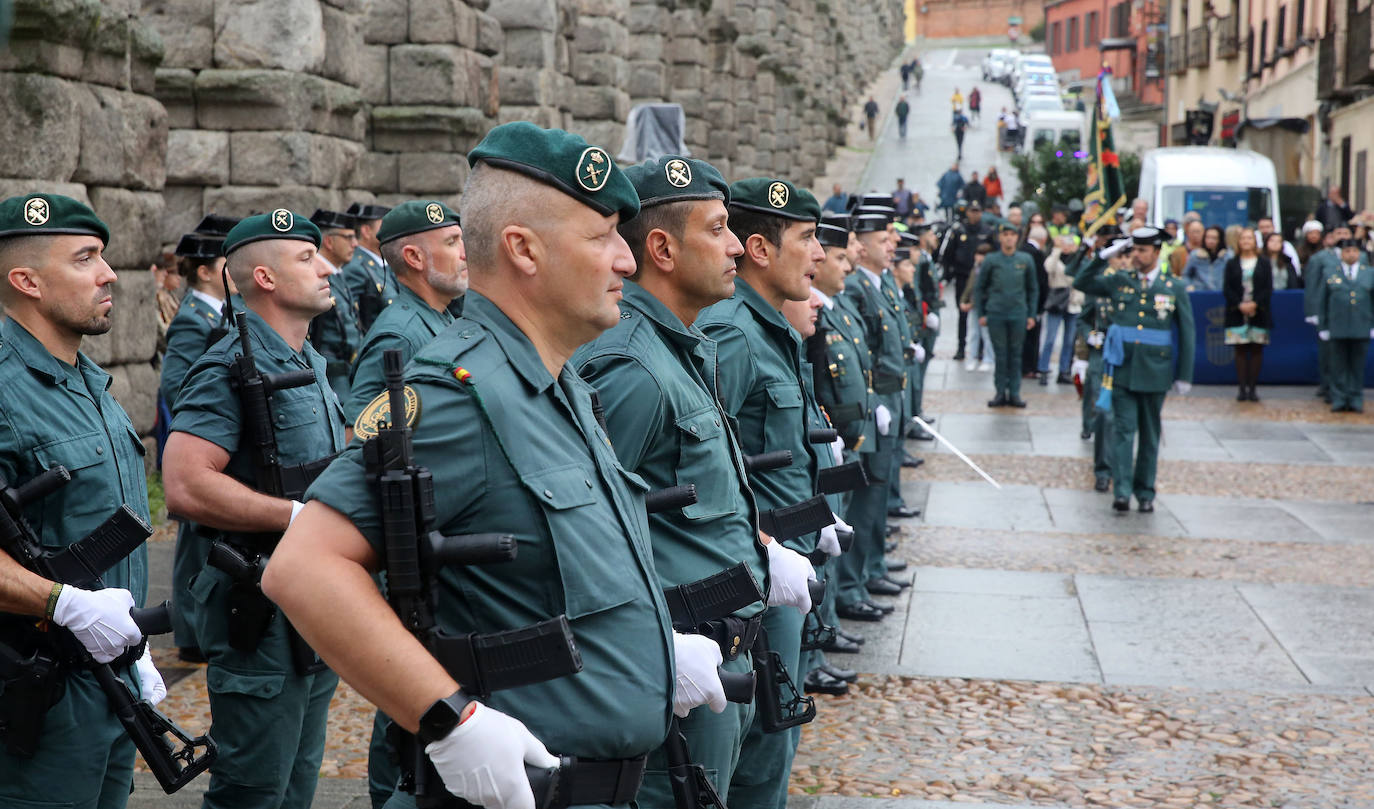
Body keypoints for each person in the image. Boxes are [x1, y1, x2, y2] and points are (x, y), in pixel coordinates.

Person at [264, 123, 683, 809]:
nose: (626, 261)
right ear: (523, 248)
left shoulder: (559, 385)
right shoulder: (460, 392)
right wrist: (450, 717)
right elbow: (304, 567)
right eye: (601, 235)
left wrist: (663, 649)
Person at [573, 157, 811, 804]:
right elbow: (588, 533)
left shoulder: (682, 346)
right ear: (662, 248)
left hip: (720, 649)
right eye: (718, 229)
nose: (737, 245)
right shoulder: (632, 366)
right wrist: (652, 647)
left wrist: (761, 553)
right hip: (672, 663)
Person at [163, 210, 345, 809]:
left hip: (314, 600)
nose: (326, 268)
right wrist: (296, 517)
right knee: (253, 791)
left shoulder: (306, 361)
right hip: (258, 607)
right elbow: (186, 485)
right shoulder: (228, 366)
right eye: (306, 258)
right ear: (262, 277)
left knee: (296, 782)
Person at [0, 193, 165, 808]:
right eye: (86, 258)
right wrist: (64, 604)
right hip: (40, 690)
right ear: (27, 281)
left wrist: (132, 648)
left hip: (111, 680)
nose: (110, 274)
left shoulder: (89, 382)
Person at [694, 177, 826, 809]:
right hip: (754, 577)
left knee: (775, 744)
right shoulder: (733, 333)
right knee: (756, 760)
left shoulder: (764, 327)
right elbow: (697, 466)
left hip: (783, 566)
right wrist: (769, 547)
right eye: (807, 238)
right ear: (761, 249)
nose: (820, 254)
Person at [1073, 227, 1196, 512]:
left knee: (1150, 433)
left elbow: (1187, 333)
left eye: (1142, 250)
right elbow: (1082, 281)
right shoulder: (1120, 281)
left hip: (1156, 369)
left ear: (1156, 252)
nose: (1136, 256)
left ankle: (1146, 491)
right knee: (1123, 430)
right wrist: (1103, 255)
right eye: (1134, 250)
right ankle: (1123, 490)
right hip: (1123, 367)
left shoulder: (1172, 286)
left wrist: (1184, 374)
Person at [160, 215, 238, 662]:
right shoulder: (194, 318)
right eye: (228, 260)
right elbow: (177, 382)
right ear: (207, 270)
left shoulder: (220, 311)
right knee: (195, 541)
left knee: (207, 539)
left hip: (215, 433)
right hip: (202, 437)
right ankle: (189, 632)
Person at [344, 200, 466, 429]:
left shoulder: (440, 315)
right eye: (452, 243)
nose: (464, 254)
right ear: (414, 258)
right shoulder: (400, 335)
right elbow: (357, 434)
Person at [838, 211, 905, 623]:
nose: (891, 244)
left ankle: (867, 570)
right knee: (861, 499)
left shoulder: (877, 282)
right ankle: (852, 582)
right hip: (866, 404)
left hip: (883, 399)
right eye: (884, 238)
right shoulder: (857, 286)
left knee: (875, 492)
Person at [1070, 226, 1120, 492]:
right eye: (1118, 255)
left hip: (1130, 357)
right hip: (1102, 352)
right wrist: (1090, 335)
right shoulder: (1102, 283)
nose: (1122, 260)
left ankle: (1121, 471)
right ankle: (1103, 469)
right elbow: (1084, 314)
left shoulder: (1140, 285)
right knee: (1101, 408)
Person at [977, 223, 1038, 407]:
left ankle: (1015, 392)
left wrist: (1031, 314)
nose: (1009, 238)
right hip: (997, 312)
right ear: (1000, 238)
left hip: (1018, 312)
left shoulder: (1025, 259)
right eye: (1006, 234)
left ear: (1018, 238)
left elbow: (1033, 289)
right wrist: (982, 312)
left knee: (1016, 354)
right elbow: (980, 287)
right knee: (1001, 354)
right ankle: (999, 392)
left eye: (1013, 234)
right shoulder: (991, 260)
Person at [308, 208, 363, 403]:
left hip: (349, 372)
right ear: (329, 241)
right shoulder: (315, 277)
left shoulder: (339, 275)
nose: (355, 244)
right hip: (331, 376)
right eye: (348, 238)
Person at [1315, 237, 1374, 413]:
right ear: (1341, 254)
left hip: (1361, 325)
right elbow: (1322, 301)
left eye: (1354, 251)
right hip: (1337, 325)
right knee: (1337, 364)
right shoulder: (1330, 272)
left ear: (1359, 253)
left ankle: (1356, 397)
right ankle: (1339, 397)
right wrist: (1323, 326)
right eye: (1347, 251)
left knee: (1357, 364)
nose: (1351, 254)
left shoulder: (1369, 273)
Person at [1222, 227, 1273, 402]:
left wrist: (1255, 303)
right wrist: (1239, 304)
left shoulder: (1264, 263)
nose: (1246, 242)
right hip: (1237, 312)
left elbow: (1267, 287)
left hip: (1259, 312)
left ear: (1254, 241)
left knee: (1257, 349)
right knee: (1240, 350)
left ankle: (1253, 387)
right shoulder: (1232, 263)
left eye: (1249, 238)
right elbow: (1227, 288)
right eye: (1243, 239)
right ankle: (1242, 388)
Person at [940, 199, 993, 359]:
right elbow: (949, 253)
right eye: (972, 210)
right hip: (963, 276)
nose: (974, 214)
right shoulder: (959, 230)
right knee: (962, 313)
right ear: (967, 212)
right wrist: (948, 274)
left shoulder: (987, 231)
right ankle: (961, 347)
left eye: (977, 211)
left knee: (982, 313)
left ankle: (981, 349)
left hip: (982, 277)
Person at [342, 202, 396, 334]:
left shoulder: (384, 264)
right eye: (385, 225)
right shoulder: (356, 267)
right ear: (366, 231)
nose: (392, 230)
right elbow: (351, 320)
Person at [1039, 235, 1081, 384]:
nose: (1067, 246)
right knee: (1050, 338)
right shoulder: (1055, 257)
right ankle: (1043, 369)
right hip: (1057, 301)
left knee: (1069, 340)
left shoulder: (1077, 259)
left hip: (1073, 303)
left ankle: (1064, 371)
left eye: (1071, 243)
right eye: (1065, 243)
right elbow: (1048, 268)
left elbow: (1082, 277)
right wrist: (1056, 250)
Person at [1183, 225, 1229, 291]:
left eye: (1214, 238)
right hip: (1200, 293)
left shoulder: (1227, 256)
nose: (1210, 241)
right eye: (1208, 237)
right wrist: (1188, 285)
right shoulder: (1195, 255)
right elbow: (1186, 274)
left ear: (1220, 240)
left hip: (1221, 293)